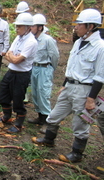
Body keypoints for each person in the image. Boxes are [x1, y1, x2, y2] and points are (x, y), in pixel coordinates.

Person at [32, 9, 104, 163]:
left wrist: (91, 98)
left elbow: (100, 76)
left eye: (79, 24)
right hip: (70, 86)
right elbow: (72, 66)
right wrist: (65, 84)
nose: (76, 27)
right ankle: (49, 139)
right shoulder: (78, 42)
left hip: (84, 89)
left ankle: (76, 153)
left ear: (90, 26)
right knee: (54, 115)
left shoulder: (100, 47)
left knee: (80, 122)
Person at [0, 13, 38, 133]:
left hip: (22, 74)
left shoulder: (31, 42)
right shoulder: (19, 37)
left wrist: (12, 57)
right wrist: (12, 57)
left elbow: (17, 60)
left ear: (28, 28)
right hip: (11, 71)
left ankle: (18, 123)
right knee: (2, 95)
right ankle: (6, 116)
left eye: (19, 26)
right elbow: (8, 53)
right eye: (16, 26)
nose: (17, 28)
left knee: (18, 99)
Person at [27, 14, 59, 134]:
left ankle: (47, 121)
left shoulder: (47, 40)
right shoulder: (32, 39)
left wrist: (51, 68)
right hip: (34, 67)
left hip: (44, 68)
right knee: (35, 92)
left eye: (33, 26)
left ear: (40, 27)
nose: (31, 28)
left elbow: (55, 56)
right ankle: (40, 117)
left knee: (43, 92)